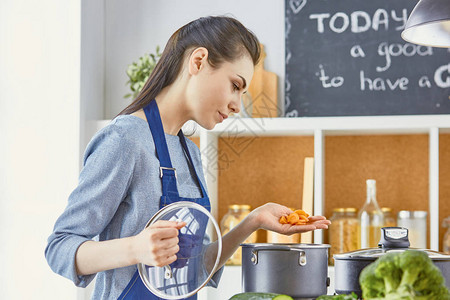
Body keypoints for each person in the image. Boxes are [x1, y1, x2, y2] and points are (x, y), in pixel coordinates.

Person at [45, 16, 330, 300]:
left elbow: (194, 271)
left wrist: (253, 221)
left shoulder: (190, 152)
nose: (237, 105)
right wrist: (136, 249)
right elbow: (59, 248)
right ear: (198, 61)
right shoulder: (125, 140)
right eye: (235, 85)